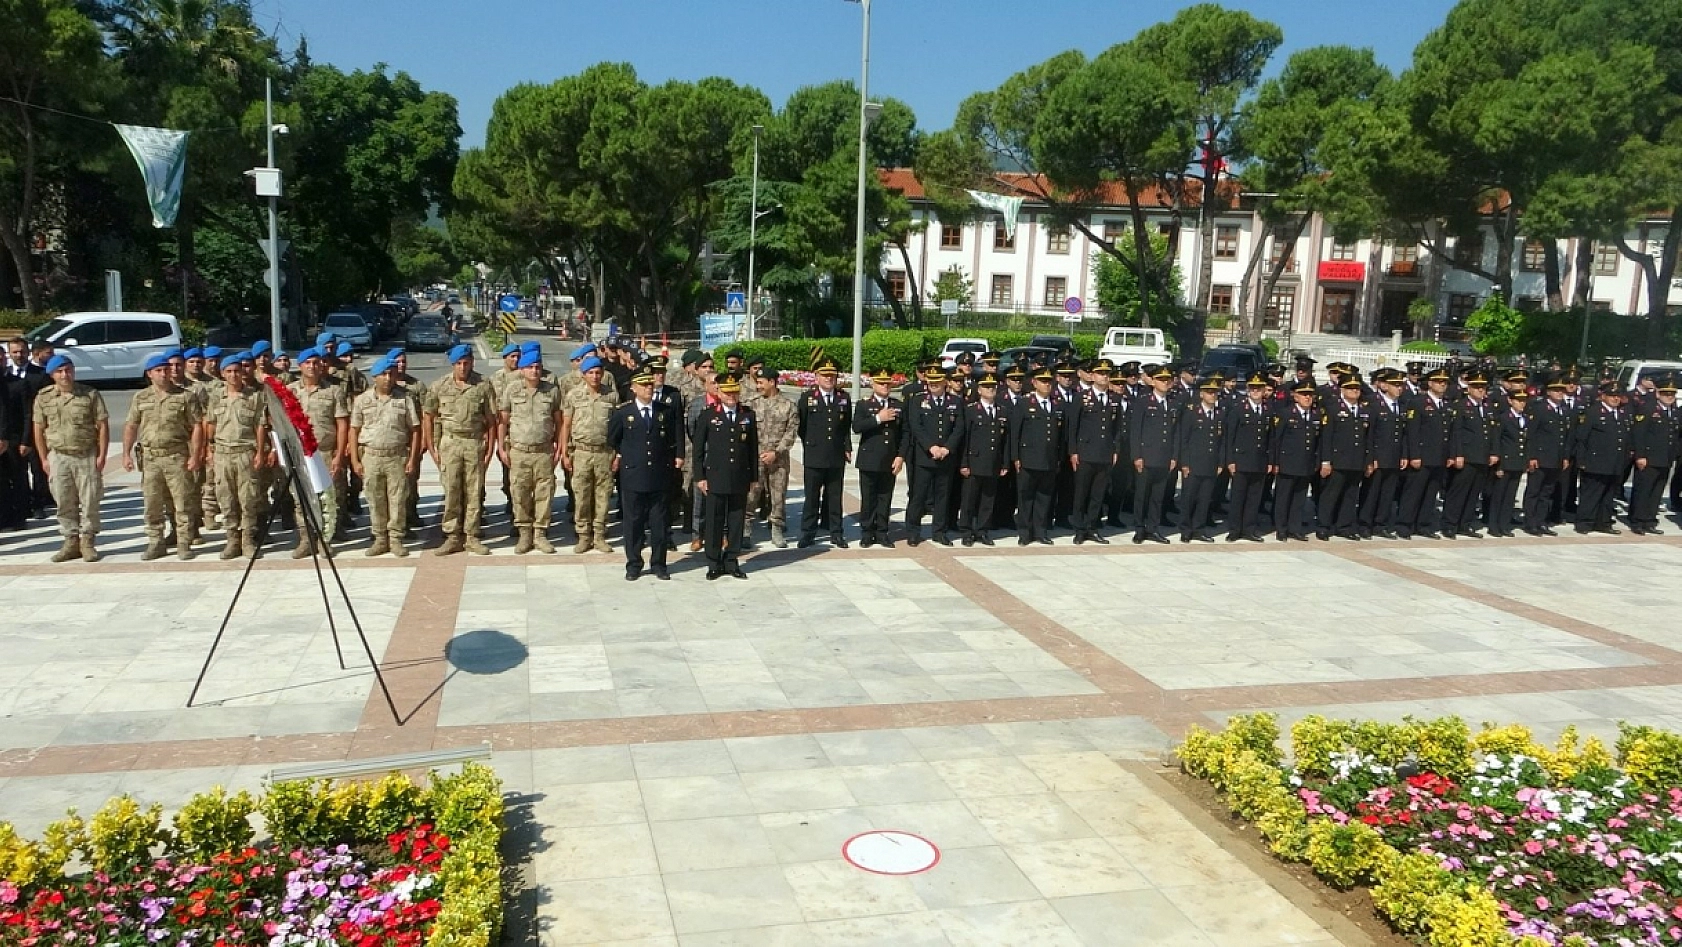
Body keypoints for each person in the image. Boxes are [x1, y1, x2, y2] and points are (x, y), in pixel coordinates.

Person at [608, 363, 684, 580]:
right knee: (633, 523)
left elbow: (673, 437)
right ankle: (634, 564)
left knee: (659, 523)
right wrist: (624, 457)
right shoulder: (624, 413)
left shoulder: (664, 411)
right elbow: (612, 439)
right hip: (633, 475)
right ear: (634, 388)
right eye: (644, 385)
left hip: (659, 475)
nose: (649, 388)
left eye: (650, 384)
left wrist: (676, 458)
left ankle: (659, 564)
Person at [124, 354, 203, 561]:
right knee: (152, 503)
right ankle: (155, 542)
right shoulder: (141, 398)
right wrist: (126, 453)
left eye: (166, 370)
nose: (164, 374)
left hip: (176, 456)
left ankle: (184, 543)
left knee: (182, 502)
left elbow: (196, 427)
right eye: (158, 371)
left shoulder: (185, 396)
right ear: (149, 374)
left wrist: (195, 455)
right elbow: (132, 425)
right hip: (151, 458)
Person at [31, 354, 107, 561]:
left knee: (90, 500)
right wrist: (44, 459)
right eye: (60, 371)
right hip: (59, 456)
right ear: (52, 375)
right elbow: (38, 429)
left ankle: (88, 541)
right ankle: (70, 541)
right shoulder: (43, 397)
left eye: (68, 370)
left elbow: (102, 425)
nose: (65, 375)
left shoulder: (89, 394)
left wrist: (102, 456)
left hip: (86, 455)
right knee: (63, 500)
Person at [424, 344, 498, 555]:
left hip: (474, 443)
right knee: (452, 491)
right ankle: (452, 536)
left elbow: (491, 420)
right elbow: (428, 417)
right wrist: (432, 447)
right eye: (459, 364)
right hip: (450, 443)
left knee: (474, 492)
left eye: (467, 363)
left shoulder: (483, 385)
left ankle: (472, 536)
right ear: (453, 365)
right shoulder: (440, 386)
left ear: (472, 362)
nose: (463, 367)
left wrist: (490, 449)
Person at [349, 356, 422, 557]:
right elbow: (354, 430)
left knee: (397, 499)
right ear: (374, 377)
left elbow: (415, 430)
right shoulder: (362, 400)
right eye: (383, 374)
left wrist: (412, 458)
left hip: (396, 456)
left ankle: (396, 538)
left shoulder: (404, 398)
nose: (388, 378)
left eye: (391, 373)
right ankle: (380, 538)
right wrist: (355, 460)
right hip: (372, 456)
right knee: (375, 498)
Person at [205, 352, 274, 559]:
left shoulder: (254, 396)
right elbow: (210, 424)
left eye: (237, 370)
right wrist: (209, 449)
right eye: (229, 371)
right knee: (226, 498)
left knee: (248, 499)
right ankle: (232, 540)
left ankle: (247, 541)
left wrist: (260, 452)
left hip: (245, 453)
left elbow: (260, 427)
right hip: (223, 454)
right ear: (223, 374)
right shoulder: (216, 397)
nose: (234, 375)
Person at [499, 348, 565, 554]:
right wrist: (501, 447)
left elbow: (559, 422)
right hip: (519, 451)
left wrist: (560, 447)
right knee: (519, 493)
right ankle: (524, 534)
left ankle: (540, 534)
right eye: (530, 367)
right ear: (522, 369)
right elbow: (502, 421)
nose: (534, 371)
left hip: (544, 451)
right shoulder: (512, 390)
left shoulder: (551, 391)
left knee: (544, 494)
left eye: (537, 367)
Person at [694, 370, 756, 579]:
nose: (732, 397)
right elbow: (698, 450)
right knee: (714, 520)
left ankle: (731, 560)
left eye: (735, 393)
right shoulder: (709, 415)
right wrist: (699, 477)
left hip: (739, 476)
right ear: (719, 392)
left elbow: (752, 449)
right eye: (728, 393)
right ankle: (713, 562)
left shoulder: (747, 415)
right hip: (716, 476)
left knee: (736, 520)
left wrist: (753, 477)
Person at [288, 348, 350, 557]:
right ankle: (306, 539)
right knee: (301, 499)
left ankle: (325, 539)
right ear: (300, 366)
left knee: (327, 498)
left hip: (324, 452)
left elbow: (342, 424)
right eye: (308, 363)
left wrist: (339, 455)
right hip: (299, 455)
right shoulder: (289, 391)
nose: (312, 367)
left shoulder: (334, 391)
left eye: (316, 362)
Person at [560, 354, 620, 553]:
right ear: (583, 375)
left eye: (598, 373)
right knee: (582, 496)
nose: (595, 376)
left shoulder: (611, 396)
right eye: (591, 373)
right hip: (582, 452)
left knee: (603, 496)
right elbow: (566, 425)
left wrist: (617, 454)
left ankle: (600, 535)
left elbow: (617, 427)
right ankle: (584, 535)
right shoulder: (573, 396)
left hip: (604, 453)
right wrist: (565, 453)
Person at [903, 365, 965, 546]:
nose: (933, 385)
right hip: (924, 457)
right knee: (918, 496)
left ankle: (939, 531)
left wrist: (947, 448)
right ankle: (913, 531)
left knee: (942, 497)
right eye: (930, 382)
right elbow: (916, 426)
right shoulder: (918, 400)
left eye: (937, 382)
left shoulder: (955, 402)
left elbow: (959, 428)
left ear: (945, 382)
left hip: (946, 457)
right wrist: (931, 447)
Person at [796, 357, 852, 547]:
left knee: (835, 497)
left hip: (835, 455)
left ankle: (836, 532)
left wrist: (847, 448)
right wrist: (810, 445)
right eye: (825, 375)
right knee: (811, 497)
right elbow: (801, 427)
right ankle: (808, 533)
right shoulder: (807, 398)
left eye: (832, 376)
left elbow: (845, 427)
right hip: (814, 454)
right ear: (816, 377)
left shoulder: (844, 398)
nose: (829, 379)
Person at [1070, 360, 1125, 544]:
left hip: (1105, 452)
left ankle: (1092, 527)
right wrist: (1073, 451)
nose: (1104, 376)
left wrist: (1116, 449)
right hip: (1085, 452)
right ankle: (1079, 528)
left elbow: (1117, 428)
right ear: (1092, 376)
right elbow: (1073, 427)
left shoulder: (1115, 399)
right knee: (1081, 493)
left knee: (1097, 494)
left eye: (1107, 373)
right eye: (1100, 373)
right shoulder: (1082, 397)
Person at [1399, 368, 1456, 539]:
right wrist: (1414, 455)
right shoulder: (1418, 402)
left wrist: (1450, 455)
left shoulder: (1446, 404)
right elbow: (1412, 431)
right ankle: (1404, 525)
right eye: (1439, 382)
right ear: (1430, 383)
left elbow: (1450, 433)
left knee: (1430, 493)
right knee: (1413, 492)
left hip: (1439, 457)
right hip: (1422, 456)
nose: (1442, 385)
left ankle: (1423, 524)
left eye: (1445, 382)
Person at [744, 365, 796, 549]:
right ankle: (746, 529)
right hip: (755, 457)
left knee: (778, 495)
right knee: (751, 494)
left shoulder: (788, 405)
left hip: (779, 459)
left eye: (761, 382)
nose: (758, 386)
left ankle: (777, 528)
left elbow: (791, 433)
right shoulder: (751, 404)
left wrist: (776, 452)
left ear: (772, 382)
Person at [852, 368, 904, 548]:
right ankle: (867, 532)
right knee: (869, 498)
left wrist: (901, 456)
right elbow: (857, 427)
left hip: (889, 459)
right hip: (869, 459)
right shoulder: (864, 405)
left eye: (887, 383)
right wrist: (878, 419)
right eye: (881, 383)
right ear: (873, 385)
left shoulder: (898, 405)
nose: (885, 386)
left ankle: (882, 532)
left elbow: (905, 434)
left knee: (885, 498)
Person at [1316, 373, 1372, 541]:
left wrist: (1368, 461)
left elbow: (1367, 438)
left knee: (1350, 494)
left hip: (1357, 461)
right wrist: (1326, 461)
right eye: (1350, 388)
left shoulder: (1364, 410)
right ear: (1342, 389)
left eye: (1357, 388)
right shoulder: (1333, 408)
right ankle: (1324, 526)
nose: (1355, 391)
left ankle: (1344, 526)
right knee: (1331, 494)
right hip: (1337, 460)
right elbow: (1327, 437)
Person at [1571, 381, 1632, 534]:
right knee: (1591, 494)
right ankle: (1584, 522)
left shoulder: (1621, 414)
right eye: (1612, 395)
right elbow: (1581, 438)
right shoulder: (1593, 412)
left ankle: (1603, 522)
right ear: (1603, 396)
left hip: (1615, 462)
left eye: (1618, 396)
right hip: (1595, 461)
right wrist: (1582, 460)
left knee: (1608, 495)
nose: (1615, 399)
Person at [1011, 367, 1063, 545]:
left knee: (1044, 497)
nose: (1046, 385)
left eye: (1049, 382)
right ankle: (1025, 532)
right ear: (1034, 383)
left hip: (1049, 458)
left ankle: (1040, 531)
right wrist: (1016, 457)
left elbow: (1060, 435)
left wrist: (1058, 458)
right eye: (1043, 381)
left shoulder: (1056, 404)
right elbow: (1015, 433)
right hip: (1028, 458)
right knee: (1026, 497)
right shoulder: (1025, 403)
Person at [958, 372, 1009, 546]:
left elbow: (1006, 440)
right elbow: (965, 438)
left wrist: (1004, 462)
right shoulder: (971, 410)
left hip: (993, 462)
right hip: (974, 462)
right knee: (969, 499)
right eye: (986, 387)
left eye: (993, 387)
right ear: (979, 390)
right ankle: (966, 530)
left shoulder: (1002, 410)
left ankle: (982, 530)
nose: (990, 390)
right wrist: (964, 462)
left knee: (988, 499)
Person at [1129, 365, 1178, 544]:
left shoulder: (1173, 403)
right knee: (1142, 495)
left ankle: (1153, 528)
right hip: (1146, 456)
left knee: (1158, 496)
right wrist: (1137, 456)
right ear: (1154, 381)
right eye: (1161, 380)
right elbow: (1136, 431)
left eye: (1168, 380)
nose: (1165, 383)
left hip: (1164, 457)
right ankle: (1139, 528)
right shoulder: (1143, 401)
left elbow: (1176, 432)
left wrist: (1174, 456)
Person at [1224, 372, 1275, 542]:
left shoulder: (1268, 410)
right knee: (1238, 496)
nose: (1255, 391)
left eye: (1259, 388)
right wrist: (1230, 460)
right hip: (1241, 460)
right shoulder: (1238, 408)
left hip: (1260, 461)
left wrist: (1271, 461)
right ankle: (1234, 529)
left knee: (1254, 497)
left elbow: (1271, 438)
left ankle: (1249, 529)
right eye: (1252, 388)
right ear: (1247, 389)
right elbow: (1230, 436)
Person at [1359, 369, 1410, 539]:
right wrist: (1370, 458)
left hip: (1394, 457)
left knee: (1387, 493)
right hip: (1378, 457)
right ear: (1384, 385)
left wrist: (1404, 454)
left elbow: (1403, 433)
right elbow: (1370, 435)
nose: (1399, 388)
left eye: (1401, 385)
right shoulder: (1373, 403)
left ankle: (1380, 524)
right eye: (1395, 385)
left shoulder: (1401, 405)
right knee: (1371, 492)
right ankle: (1365, 523)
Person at [1175, 377, 1226, 543]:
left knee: (1205, 499)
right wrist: (1185, 463)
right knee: (1189, 497)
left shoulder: (1219, 414)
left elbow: (1222, 441)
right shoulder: (1192, 413)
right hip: (1193, 463)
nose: (1212, 395)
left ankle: (1199, 528)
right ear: (1202, 394)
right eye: (1209, 392)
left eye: (1215, 392)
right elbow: (1184, 439)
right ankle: (1185, 528)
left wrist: (1220, 462)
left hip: (1210, 463)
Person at [1272, 380, 1323, 541]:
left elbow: (1319, 442)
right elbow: (1277, 440)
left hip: (1306, 463)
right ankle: (1281, 528)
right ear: (1295, 396)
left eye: (1310, 395)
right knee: (1283, 497)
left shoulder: (1316, 415)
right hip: (1287, 462)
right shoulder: (1286, 413)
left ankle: (1294, 528)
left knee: (1299, 498)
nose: (1307, 398)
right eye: (1303, 394)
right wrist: (1275, 462)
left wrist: (1318, 461)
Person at [1630, 374, 1679, 535]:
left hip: (1665, 458)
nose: (1669, 397)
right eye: (1666, 394)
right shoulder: (1648, 408)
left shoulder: (1675, 412)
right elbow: (1639, 434)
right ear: (1658, 394)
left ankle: (1650, 520)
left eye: (1672, 394)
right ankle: (1637, 521)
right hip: (1649, 458)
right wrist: (1640, 455)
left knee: (1657, 491)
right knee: (1643, 490)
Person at [1488, 387, 1533, 537]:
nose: (1521, 404)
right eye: (1518, 401)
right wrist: (1499, 465)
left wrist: (1525, 462)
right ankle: (1493, 525)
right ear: (1510, 401)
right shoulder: (1504, 418)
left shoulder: (1526, 419)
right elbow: (1497, 441)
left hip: (1517, 462)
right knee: (1499, 495)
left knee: (1510, 496)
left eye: (1523, 401)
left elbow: (1526, 443)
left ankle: (1504, 525)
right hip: (1505, 462)